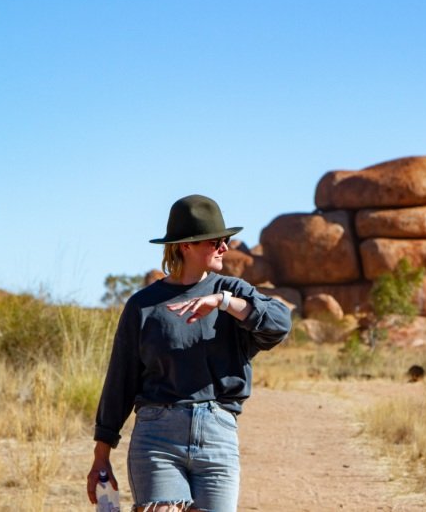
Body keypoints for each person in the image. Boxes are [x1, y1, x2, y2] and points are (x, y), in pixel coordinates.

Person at [87, 194, 291, 512]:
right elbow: (120, 381)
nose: (225, 247)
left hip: (217, 437)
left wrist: (223, 302)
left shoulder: (233, 292)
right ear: (186, 246)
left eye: (225, 240)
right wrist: (101, 456)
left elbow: (280, 323)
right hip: (157, 440)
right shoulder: (143, 305)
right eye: (215, 241)